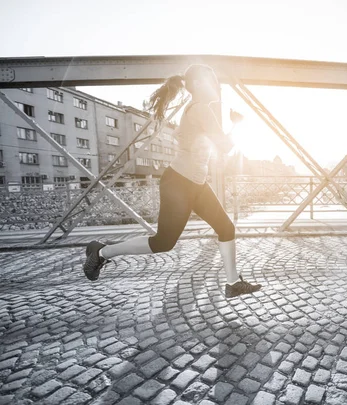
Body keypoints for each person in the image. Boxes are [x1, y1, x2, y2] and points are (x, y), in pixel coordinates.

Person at [82, 64, 262, 298]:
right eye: (211, 80)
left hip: (195, 183)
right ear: (198, 84)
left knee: (225, 227)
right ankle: (101, 252)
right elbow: (225, 146)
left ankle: (232, 283)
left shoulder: (195, 109)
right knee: (163, 242)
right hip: (180, 183)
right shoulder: (200, 109)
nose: (215, 85)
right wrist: (237, 124)